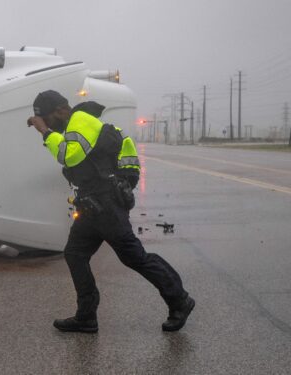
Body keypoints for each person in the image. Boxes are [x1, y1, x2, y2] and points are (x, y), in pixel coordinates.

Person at [26, 90, 193, 333]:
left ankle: (180, 300)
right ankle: (86, 316)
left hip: (105, 205)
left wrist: (45, 132)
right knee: (75, 253)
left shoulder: (80, 120)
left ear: (62, 110)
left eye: (48, 118)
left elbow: (69, 156)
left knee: (134, 257)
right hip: (92, 205)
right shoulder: (78, 123)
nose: (48, 124)